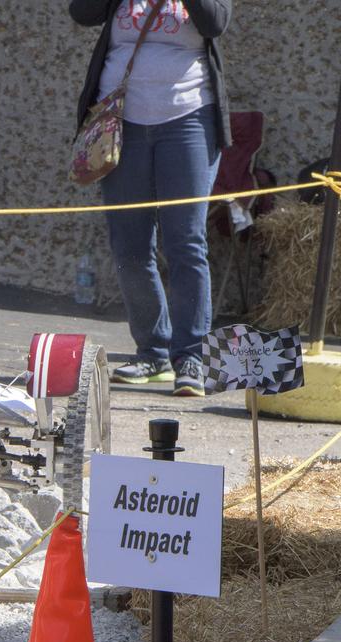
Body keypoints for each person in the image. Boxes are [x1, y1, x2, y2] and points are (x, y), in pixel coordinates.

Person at [70, 0, 231, 396]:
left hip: (188, 118)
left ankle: (191, 355)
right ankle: (152, 351)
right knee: (130, 245)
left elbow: (216, 21)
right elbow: (81, 12)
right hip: (121, 124)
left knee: (186, 242)